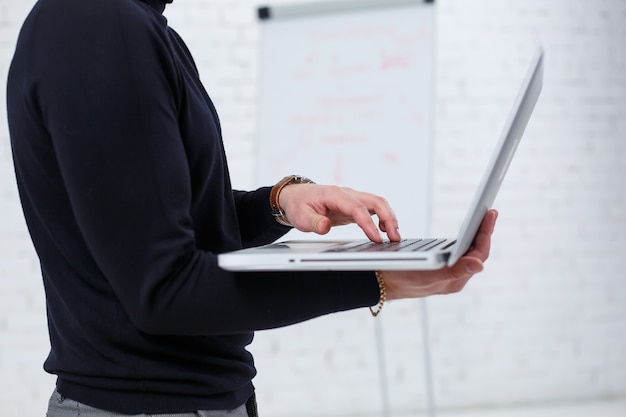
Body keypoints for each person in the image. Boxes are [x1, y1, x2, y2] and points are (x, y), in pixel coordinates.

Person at [6, 0, 497, 416]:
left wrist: (279, 203)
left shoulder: (122, 26)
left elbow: (167, 226)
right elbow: (165, 289)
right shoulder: (103, 26)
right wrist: (377, 279)